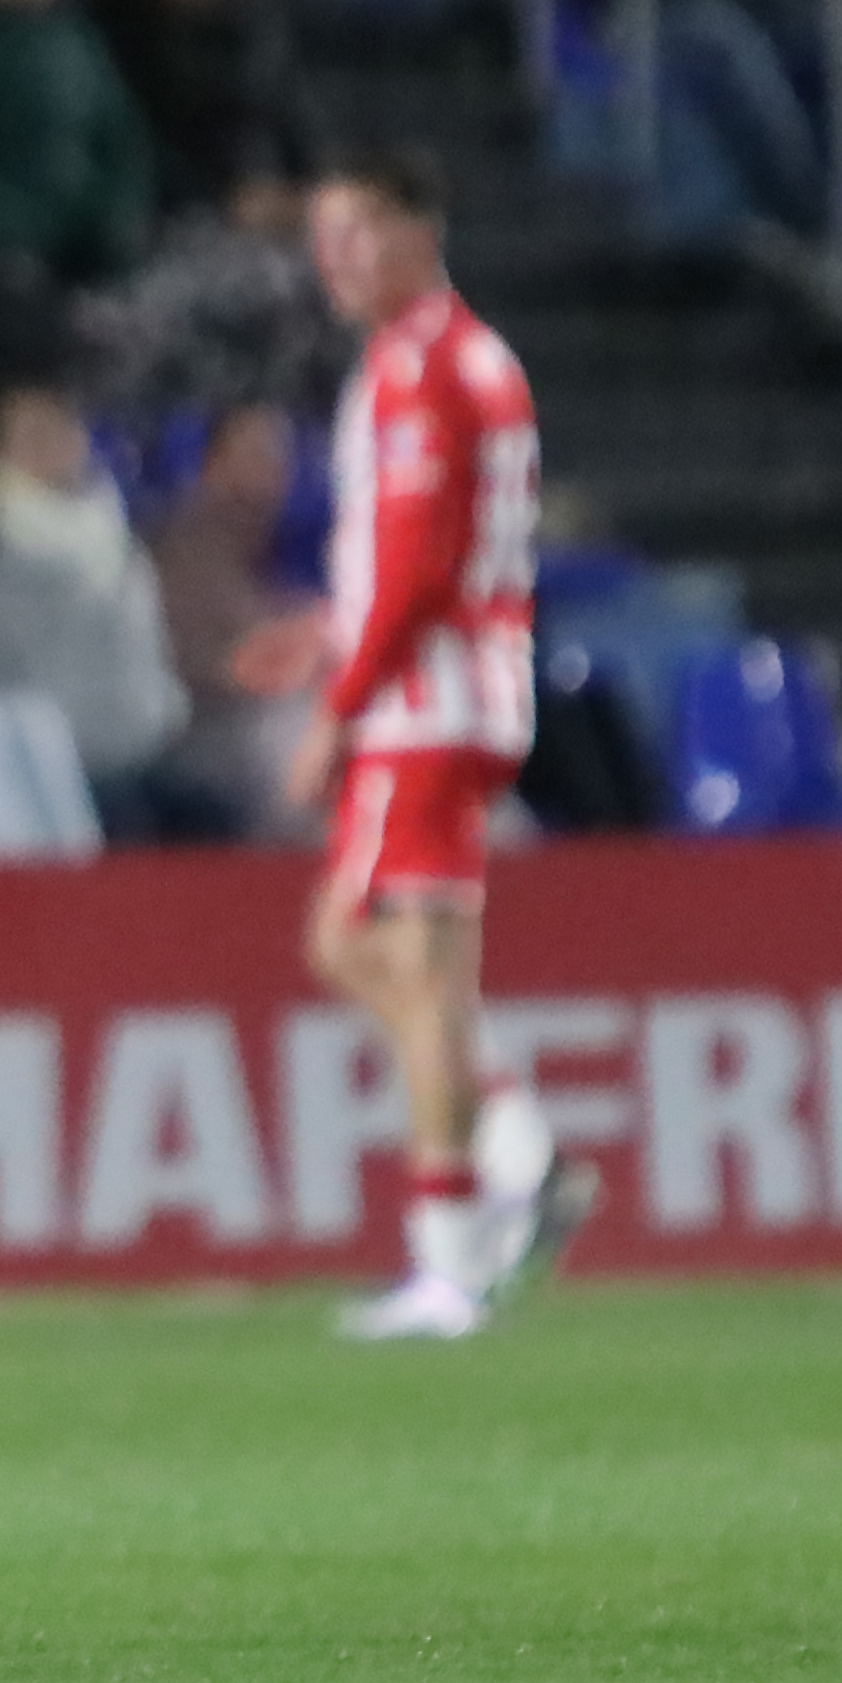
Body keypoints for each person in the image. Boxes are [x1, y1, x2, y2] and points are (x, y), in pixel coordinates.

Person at [219, 152, 582, 1346]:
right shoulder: (460, 358)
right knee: (371, 953)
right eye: (324, 235)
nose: (338, 256)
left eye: (363, 228)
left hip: (425, 706)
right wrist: (326, 630)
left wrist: (338, 708)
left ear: (423, 227)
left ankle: (455, 1252)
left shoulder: (421, 366)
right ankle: (516, 1154)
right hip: (459, 690)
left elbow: (423, 569)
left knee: (403, 968)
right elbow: (431, 552)